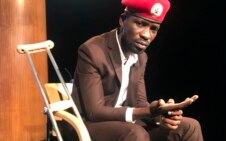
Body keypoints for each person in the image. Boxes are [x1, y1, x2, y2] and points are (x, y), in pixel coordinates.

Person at [70, 0, 204, 140]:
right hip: (90, 125)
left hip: (127, 125)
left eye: (154, 29)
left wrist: (161, 112)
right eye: (140, 24)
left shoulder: (141, 57)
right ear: (123, 20)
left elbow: (140, 103)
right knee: (136, 134)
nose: (146, 35)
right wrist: (148, 111)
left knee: (190, 126)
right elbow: (94, 112)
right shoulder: (92, 51)